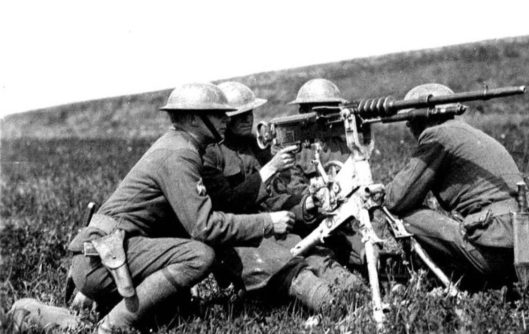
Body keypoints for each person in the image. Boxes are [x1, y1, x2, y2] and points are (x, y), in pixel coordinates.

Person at [66, 83, 295, 333]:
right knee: (199, 256)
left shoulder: (184, 147)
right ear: (194, 119)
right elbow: (204, 227)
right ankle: (111, 327)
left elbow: (216, 207)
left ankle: (91, 307)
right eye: (218, 114)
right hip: (104, 260)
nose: (225, 120)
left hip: (110, 254)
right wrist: (267, 222)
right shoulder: (179, 154)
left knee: (178, 309)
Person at [200, 81, 363, 312]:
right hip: (237, 236)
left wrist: (306, 204)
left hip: (270, 227)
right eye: (239, 115)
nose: (247, 119)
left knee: (313, 251)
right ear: (224, 118)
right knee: (290, 268)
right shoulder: (210, 154)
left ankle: (357, 294)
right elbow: (226, 204)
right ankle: (331, 306)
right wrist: (269, 170)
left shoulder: (258, 148)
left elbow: (275, 197)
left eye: (249, 112)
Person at [384, 83, 529, 290]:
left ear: (422, 118)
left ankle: (433, 283)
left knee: (401, 217)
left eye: (409, 120)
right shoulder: (470, 134)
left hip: (498, 245)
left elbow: (397, 200)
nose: (409, 127)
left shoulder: (436, 135)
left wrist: (380, 193)